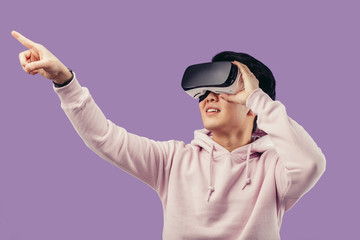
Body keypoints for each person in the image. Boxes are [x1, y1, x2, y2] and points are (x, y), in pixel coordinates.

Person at [12, 30, 326, 240]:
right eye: (204, 91)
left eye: (226, 86)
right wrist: (64, 81)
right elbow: (104, 137)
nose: (209, 96)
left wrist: (258, 99)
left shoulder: (275, 169)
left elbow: (311, 164)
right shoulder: (174, 160)